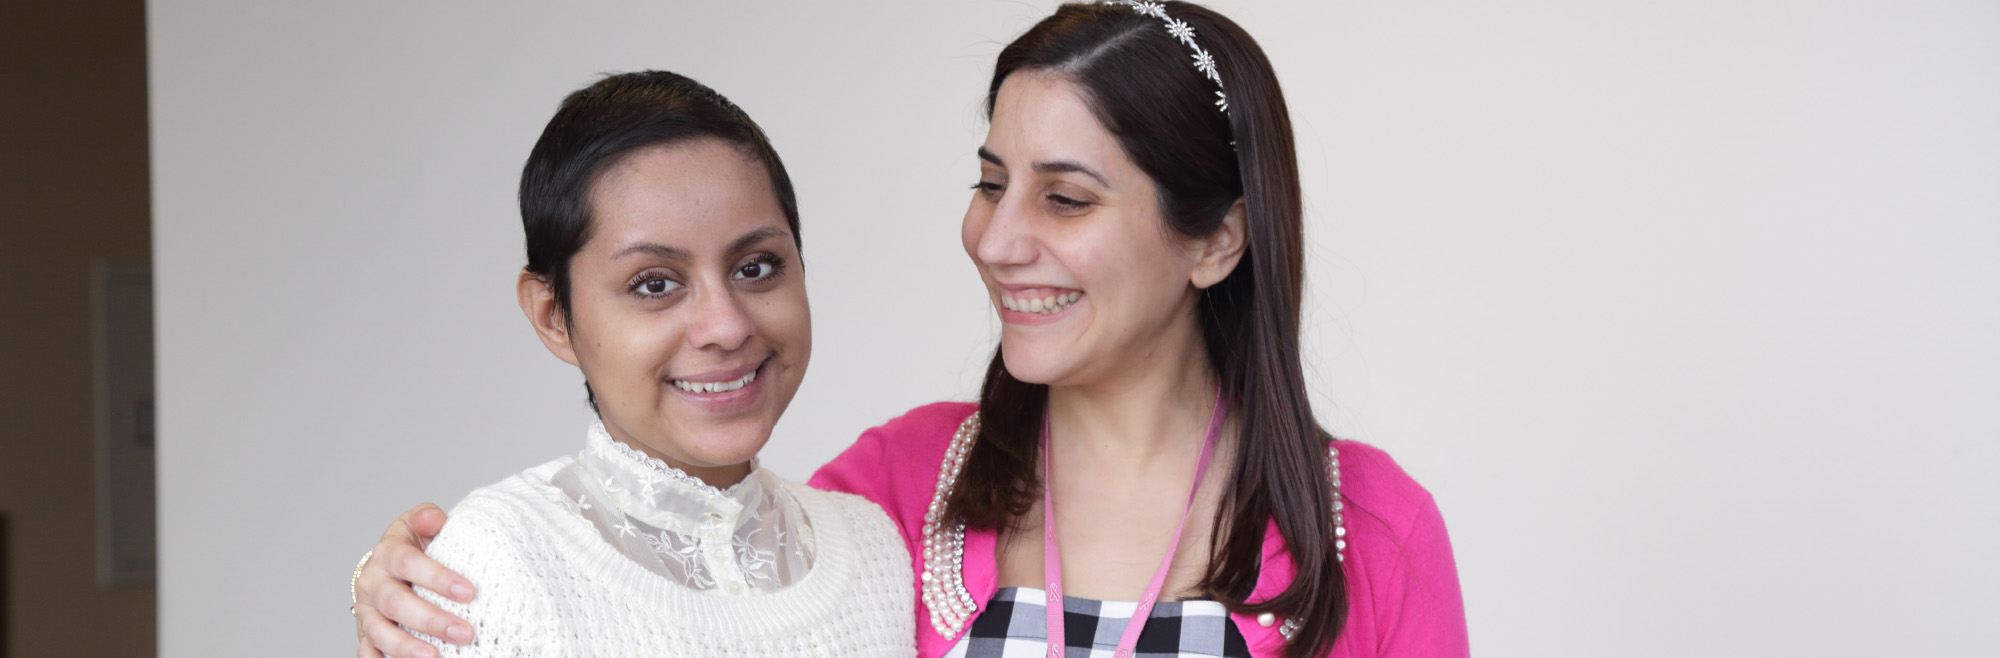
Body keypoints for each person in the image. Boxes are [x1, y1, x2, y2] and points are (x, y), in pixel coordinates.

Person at [355, 3, 1468, 657]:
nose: (996, 239)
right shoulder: (895, 492)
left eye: (1065, 199)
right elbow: (691, 586)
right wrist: (424, 581)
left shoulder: (1366, 529)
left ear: (1214, 240)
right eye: (991, 183)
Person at [357, 70, 915, 657]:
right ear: (553, 315)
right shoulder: (496, 564)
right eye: (654, 284)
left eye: (755, 267)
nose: (725, 326)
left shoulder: (874, 549)